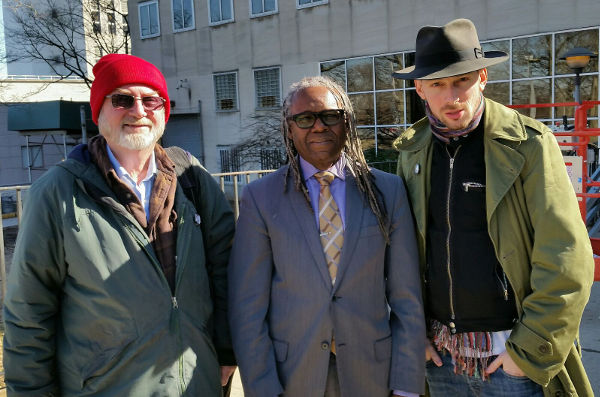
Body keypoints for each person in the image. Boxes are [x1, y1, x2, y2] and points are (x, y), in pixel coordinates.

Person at [3, 54, 236, 396]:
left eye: (150, 100)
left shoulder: (191, 179)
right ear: (99, 112)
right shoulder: (58, 192)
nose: (138, 111)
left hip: (195, 383)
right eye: (123, 99)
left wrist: (227, 347)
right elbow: (28, 314)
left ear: (163, 111)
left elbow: (226, 268)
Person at [392, 18, 595, 396]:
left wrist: (528, 352)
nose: (452, 96)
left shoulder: (529, 145)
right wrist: (413, 333)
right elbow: (404, 256)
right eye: (437, 84)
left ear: (482, 77)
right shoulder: (412, 151)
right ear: (420, 88)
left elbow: (568, 258)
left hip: (511, 359)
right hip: (441, 356)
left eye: (461, 81)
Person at [228, 76, 425, 397]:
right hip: (292, 377)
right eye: (304, 119)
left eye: (330, 116)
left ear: (346, 122)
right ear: (289, 129)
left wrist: (406, 385)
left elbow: (407, 299)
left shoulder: (388, 191)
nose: (318, 127)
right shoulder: (260, 198)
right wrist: (262, 388)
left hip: (372, 375)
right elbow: (247, 307)